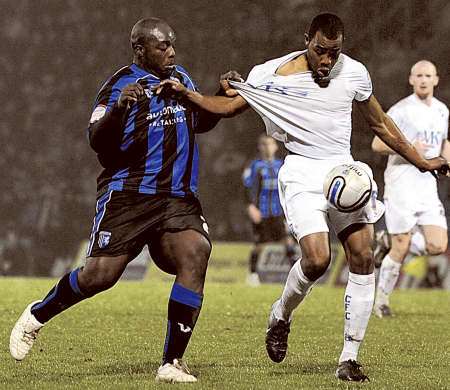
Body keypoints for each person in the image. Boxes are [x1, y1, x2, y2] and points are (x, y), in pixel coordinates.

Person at [156, 13, 450, 382]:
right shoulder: (272, 74)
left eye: (334, 53)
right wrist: (189, 95)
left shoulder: (354, 73)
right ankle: (280, 314)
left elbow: (379, 124)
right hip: (302, 173)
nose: (327, 60)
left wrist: (422, 162)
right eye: (321, 51)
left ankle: (349, 357)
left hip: (345, 171)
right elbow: (228, 107)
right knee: (317, 260)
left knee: (362, 255)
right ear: (306, 40)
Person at [10, 17, 224, 384]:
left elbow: (200, 122)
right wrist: (119, 110)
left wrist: (218, 94)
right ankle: (37, 315)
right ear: (140, 50)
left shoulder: (181, 78)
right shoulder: (118, 86)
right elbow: (96, 139)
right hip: (128, 196)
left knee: (195, 252)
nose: (171, 51)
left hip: (176, 198)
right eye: (162, 46)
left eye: (172, 44)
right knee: (100, 277)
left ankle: (171, 363)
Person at [371, 60, 449, 318]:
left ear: (436, 79)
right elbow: (377, 145)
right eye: (419, 75)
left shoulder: (441, 110)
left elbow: (443, 141)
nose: (424, 79)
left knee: (438, 244)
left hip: (426, 185)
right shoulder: (401, 110)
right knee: (402, 245)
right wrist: (407, 148)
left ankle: (385, 241)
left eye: (428, 75)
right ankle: (381, 302)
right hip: (401, 181)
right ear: (411, 80)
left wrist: (447, 162)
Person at [243, 134, 295, 286]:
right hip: (262, 212)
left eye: (270, 144)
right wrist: (251, 207)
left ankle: (295, 277)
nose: (267, 147)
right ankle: (252, 275)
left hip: (279, 212)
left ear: (276, 147)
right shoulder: (254, 166)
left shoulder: (281, 165)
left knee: (288, 242)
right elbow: (246, 188)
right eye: (264, 144)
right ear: (260, 147)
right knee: (260, 245)